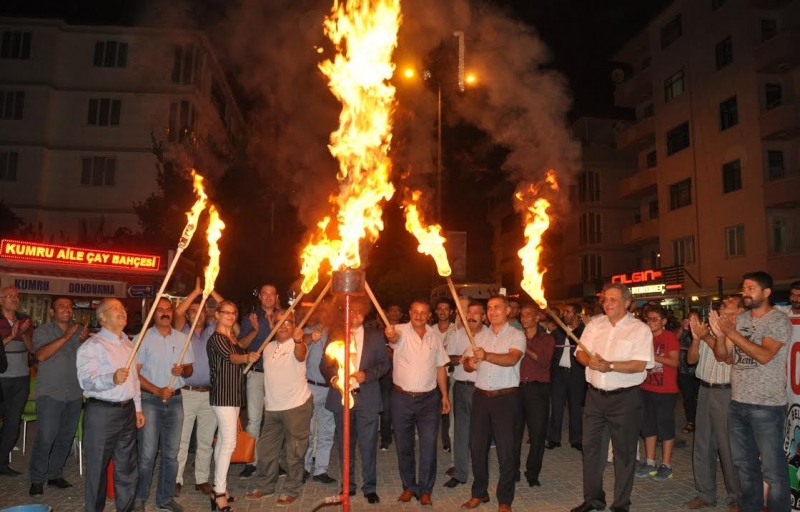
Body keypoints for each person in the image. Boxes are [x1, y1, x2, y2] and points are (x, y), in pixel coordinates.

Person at [711, 271, 792, 512]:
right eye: (744, 288)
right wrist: (718, 336)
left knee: (773, 470)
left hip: (766, 406)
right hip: (738, 403)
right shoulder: (740, 319)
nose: (744, 293)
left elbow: (765, 355)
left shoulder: (777, 320)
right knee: (744, 465)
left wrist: (732, 334)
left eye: (750, 288)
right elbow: (723, 356)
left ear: (766, 292)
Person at [570, 283, 654, 512]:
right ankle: (593, 499)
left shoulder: (639, 329)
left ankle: (621, 504)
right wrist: (590, 362)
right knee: (591, 449)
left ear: (627, 302)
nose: (607, 304)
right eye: (605, 299)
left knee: (624, 453)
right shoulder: (595, 325)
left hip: (625, 400)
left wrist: (611, 365)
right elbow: (579, 353)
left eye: (613, 299)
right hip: (594, 397)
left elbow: (640, 364)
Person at [76, 298, 146, 512]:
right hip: (102, 412)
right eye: (114, 309)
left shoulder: (128, 343)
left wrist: (138, 408)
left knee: (127, 469)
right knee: (97, 469)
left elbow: (134, 380)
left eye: (122, 308)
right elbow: (85, 380)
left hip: (126, 412)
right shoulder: (93, 345)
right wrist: (111, 379)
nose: (121, 311)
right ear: (102, 317)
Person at [320, 296, 390, 504]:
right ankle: (347, 486)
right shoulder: (335, 336)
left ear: (364, 314)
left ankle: (369, 487)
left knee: (368, 445)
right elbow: (325, 366)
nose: (355, 315)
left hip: (366, 398)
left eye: (359, 312)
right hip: (342, 398)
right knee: (345, 445)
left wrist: (366, 375)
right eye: (352, 311)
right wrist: (334, 379)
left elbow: (384, 364)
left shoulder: (376, 336)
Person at [459, 295, 525, 512]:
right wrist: (470, 361)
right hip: (480, 397)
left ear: (508, 311)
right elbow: (469, 367)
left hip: (505, 399)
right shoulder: (480, 336)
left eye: (497, 307)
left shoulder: (517, 335)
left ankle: (505, 500)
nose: (492, 311)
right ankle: (479, 493)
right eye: (489, 308)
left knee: (506, 451)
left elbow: (511, 359)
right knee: (477, 448)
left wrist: (486, 355)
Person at [385, 300, 450, 506]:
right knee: (404, 446)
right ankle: (408, 487)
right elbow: (393, 338)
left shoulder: (434, 336)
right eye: (415, 312)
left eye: (423, 313)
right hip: (402, 399)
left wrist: (445, 396)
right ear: (409, 313)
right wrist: (390, 334)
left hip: (429, 400)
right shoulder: (400, 331)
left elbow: (440, 368)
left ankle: (425, 490)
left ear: (429, 315)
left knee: (429, 446)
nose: (419, 316)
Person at [243, 308, 311, 507]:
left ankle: (291, 489)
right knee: (266, 450)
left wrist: (299, 341)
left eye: (288, 322)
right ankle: (265, 486)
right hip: (273, 408)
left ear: (294, 326)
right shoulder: (268, 347)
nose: (283, 326)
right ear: (272, 325)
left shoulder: (298, 344)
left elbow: (300, 355)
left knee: (294, 451)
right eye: (279, 322)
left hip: (296, 407)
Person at [684, 301, 743, 511]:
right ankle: (705, 494)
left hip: (726, 392)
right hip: (705, 389)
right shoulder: (708, 329)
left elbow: (726, 359)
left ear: (738, 312)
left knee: (727, 448)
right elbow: (691, 360)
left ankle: (736, 498)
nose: (723, 305)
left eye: (729, 304)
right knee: (702, 444)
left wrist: (708, 336)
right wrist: (696, 339)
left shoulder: (739, 333)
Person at [28, 297, 89, 496]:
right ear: (52, 312)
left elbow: (87, 360)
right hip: (50, 394)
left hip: (73, 393)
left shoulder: (80, 332)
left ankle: (55, 475)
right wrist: (66, 337)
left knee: (65, 437)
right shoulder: (43, 331)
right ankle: (37, 479)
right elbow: (41, 355)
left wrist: (85, 342)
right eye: (62, 306)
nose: (67, 309)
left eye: (70, 306)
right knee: (46, 437)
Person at [207, 301, 260, 511]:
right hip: (223, 396)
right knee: (228, 443)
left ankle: (219, 486)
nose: (230, 316)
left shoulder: (231, 337)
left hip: (233, 396)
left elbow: (241, 346)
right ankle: (219, 493)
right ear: (217, 315)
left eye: (233, 313)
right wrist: (246, 357)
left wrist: (255, 332)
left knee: (222, 443)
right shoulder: (217, 339)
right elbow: (232, 357)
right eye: (226, 312)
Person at [173, 281, 224, 498]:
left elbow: (227, 310)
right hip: (186, 392)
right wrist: (195, 292)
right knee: (182, 439)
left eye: (201, 311)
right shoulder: (182, 331)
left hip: (209, 393)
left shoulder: (214, 330)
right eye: (193, 312)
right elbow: (177, 312)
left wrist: (211, 290)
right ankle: (176, 479)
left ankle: (201, 479)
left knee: (205, 440)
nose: (197, 315)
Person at [236, 284, 279, 479]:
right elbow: (241, 345)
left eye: (272, 294)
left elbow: (291, 342)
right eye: (265, 294)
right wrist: (255, 330)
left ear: (276, 296)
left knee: (276, 419)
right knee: (254, 419)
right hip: (256, 373)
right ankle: (251, 461)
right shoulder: (251, 317)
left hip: (278, 374)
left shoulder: (283, 316)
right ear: (260, 296)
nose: (269, 297)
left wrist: (274, 329)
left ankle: (273, 462)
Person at [443, 300, 486, 489]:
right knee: (460, 433)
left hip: (481, 389)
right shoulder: (458, 335)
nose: (472, 316)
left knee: (480, 435)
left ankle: (480, 474)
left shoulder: (490, 336)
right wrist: (458, 359)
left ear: (483, 317)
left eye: (477, 313)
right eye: (469, 313)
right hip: (460, 387)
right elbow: (447, 359)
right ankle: (460, 473)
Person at [635, 306, 679, 482]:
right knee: (648, 427)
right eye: (648, 319)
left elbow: (674, 362)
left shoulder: (669, 337)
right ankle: (650, 462)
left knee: (665, 428)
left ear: (664, 321)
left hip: (665, 390)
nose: (650, 322)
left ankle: (666, 465)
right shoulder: (644, 337)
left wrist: (652, 356)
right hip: (646, 388)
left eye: (654, 319)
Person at [515, 303, 555, 487]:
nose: (524, 318)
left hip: (538, 390)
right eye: (522, 315)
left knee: (537, 434)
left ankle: (532, 473)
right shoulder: (515, 337)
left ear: (537, 318)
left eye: (528, 314)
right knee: (513, 433)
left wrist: (523, 347)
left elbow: (544, 361)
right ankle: (512, 470)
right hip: (516, 389)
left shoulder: (546, 339)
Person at [0, 286, 33, 476]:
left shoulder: (24, 320)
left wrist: (24, 334)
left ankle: (2, 464)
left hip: (21, 378)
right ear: (1, 300)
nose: (14, 299)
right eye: (9, 296)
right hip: (2, 378)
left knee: (13, 424)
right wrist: (10, 336)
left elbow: (32, 349)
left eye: (17, 297)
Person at [303, 302, 337, 484]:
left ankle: (321, 470)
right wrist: (311, 337)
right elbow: (299, 348)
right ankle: (305, 467)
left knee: (326, 431)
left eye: (329, 313)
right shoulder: (311, 332)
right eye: (323, 312)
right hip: (312, 387)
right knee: (307, 430)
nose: (326, 315)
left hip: (331, 390)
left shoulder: (338, 334)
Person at [546, 303, 586, 451]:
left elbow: (580, 341)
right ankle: (554, 438)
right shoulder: (558, 329)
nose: (564, 314)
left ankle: (576, 439)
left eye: (568, 312)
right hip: (559, 374)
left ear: (576, 315)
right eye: (564, 312)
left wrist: (575, 329)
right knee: (556, 407)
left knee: (575, 408)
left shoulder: (584, 330)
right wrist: (548, 330)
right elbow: (548, 341)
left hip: (576, 374)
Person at [431, 298, 455, 453]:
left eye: (446, 308)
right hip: (433, 376)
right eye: (440, 308)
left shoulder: (456, 329)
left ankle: (447, 440)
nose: (443, 311)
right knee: (433, 409)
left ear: (451, 312)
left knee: (448, 408)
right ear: (435, 311)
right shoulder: (429, 330)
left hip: (450, 375)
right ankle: (431, 440)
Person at [378, 303, 402, 451]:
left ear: (401, 314)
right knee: (386, 409)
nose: (393, 313)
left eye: (397, 310)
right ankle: (385, 439)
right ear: (386, 314)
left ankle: (401, 438)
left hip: (402, 376)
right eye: (391, 310)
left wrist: (392, 353)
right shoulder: (380, 333)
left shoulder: (405, 332)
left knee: (401, 410)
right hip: (386, 376)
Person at [676, 315, 699, 435]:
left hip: (698, 370)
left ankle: (700, 421)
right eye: (689, 319)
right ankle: (690, 421)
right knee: (688, 397)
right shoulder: (683, 331)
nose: (690, 321)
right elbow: (674, 340)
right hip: (684, 369)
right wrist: (682, 327)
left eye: (694, 319)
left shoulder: (702, 331)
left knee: (699, 397)